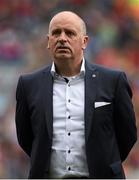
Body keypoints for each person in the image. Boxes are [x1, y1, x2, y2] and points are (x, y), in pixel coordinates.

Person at [15, 11, 137, 179]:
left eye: (70, 33)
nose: (62, 38)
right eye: (56, 33)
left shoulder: (113, 81)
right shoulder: (28, 84)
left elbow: (128, 135)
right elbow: (26, 138)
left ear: (84, 41)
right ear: (48, 41)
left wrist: (105, 163)